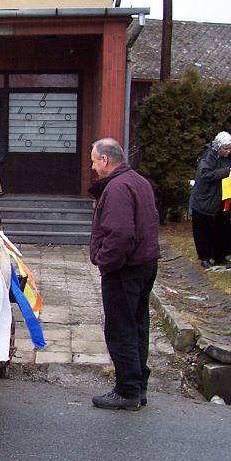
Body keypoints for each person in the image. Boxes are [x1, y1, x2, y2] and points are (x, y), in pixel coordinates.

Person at [88, 138, 159, 411]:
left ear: (105, 160)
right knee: (138, 325)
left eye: (94, 161)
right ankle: (138, 386)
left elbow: (120, 234)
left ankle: (127, 389)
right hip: (144, 263)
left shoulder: (117, 188)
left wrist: (104, 261)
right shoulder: (139, 181)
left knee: (121, 329)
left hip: (125, 269)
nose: (93, 167)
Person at [189, 131, 231, 269]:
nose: (228, 151)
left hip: (222, 200)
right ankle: (205, 257)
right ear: (218, 147)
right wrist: (226, 172)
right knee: (203, 230)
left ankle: (220, 256)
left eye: (230, 148)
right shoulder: (208, 157)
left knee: (222, 228)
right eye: (225, 148)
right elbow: (205, 175)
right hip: (205, 200)